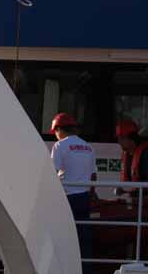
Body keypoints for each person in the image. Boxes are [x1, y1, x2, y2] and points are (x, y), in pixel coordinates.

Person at [50, 112, 96, 267]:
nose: (55, 135)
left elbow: (52, 174)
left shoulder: (60, 145)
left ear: (59, 129)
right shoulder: (88, 147)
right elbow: (93, 176)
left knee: (62, 239)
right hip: (83, 198)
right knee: (83, 241)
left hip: (67, 198)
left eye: (55, 132)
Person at [115, 119, 148, 196]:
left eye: (122, 138)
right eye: (118, 138)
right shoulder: (126, 154)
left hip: (146, 200)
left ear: (132, 139)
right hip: (134, 198)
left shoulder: (145, 155)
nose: (119, 142)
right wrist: (122, 190)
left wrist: (133, 191)